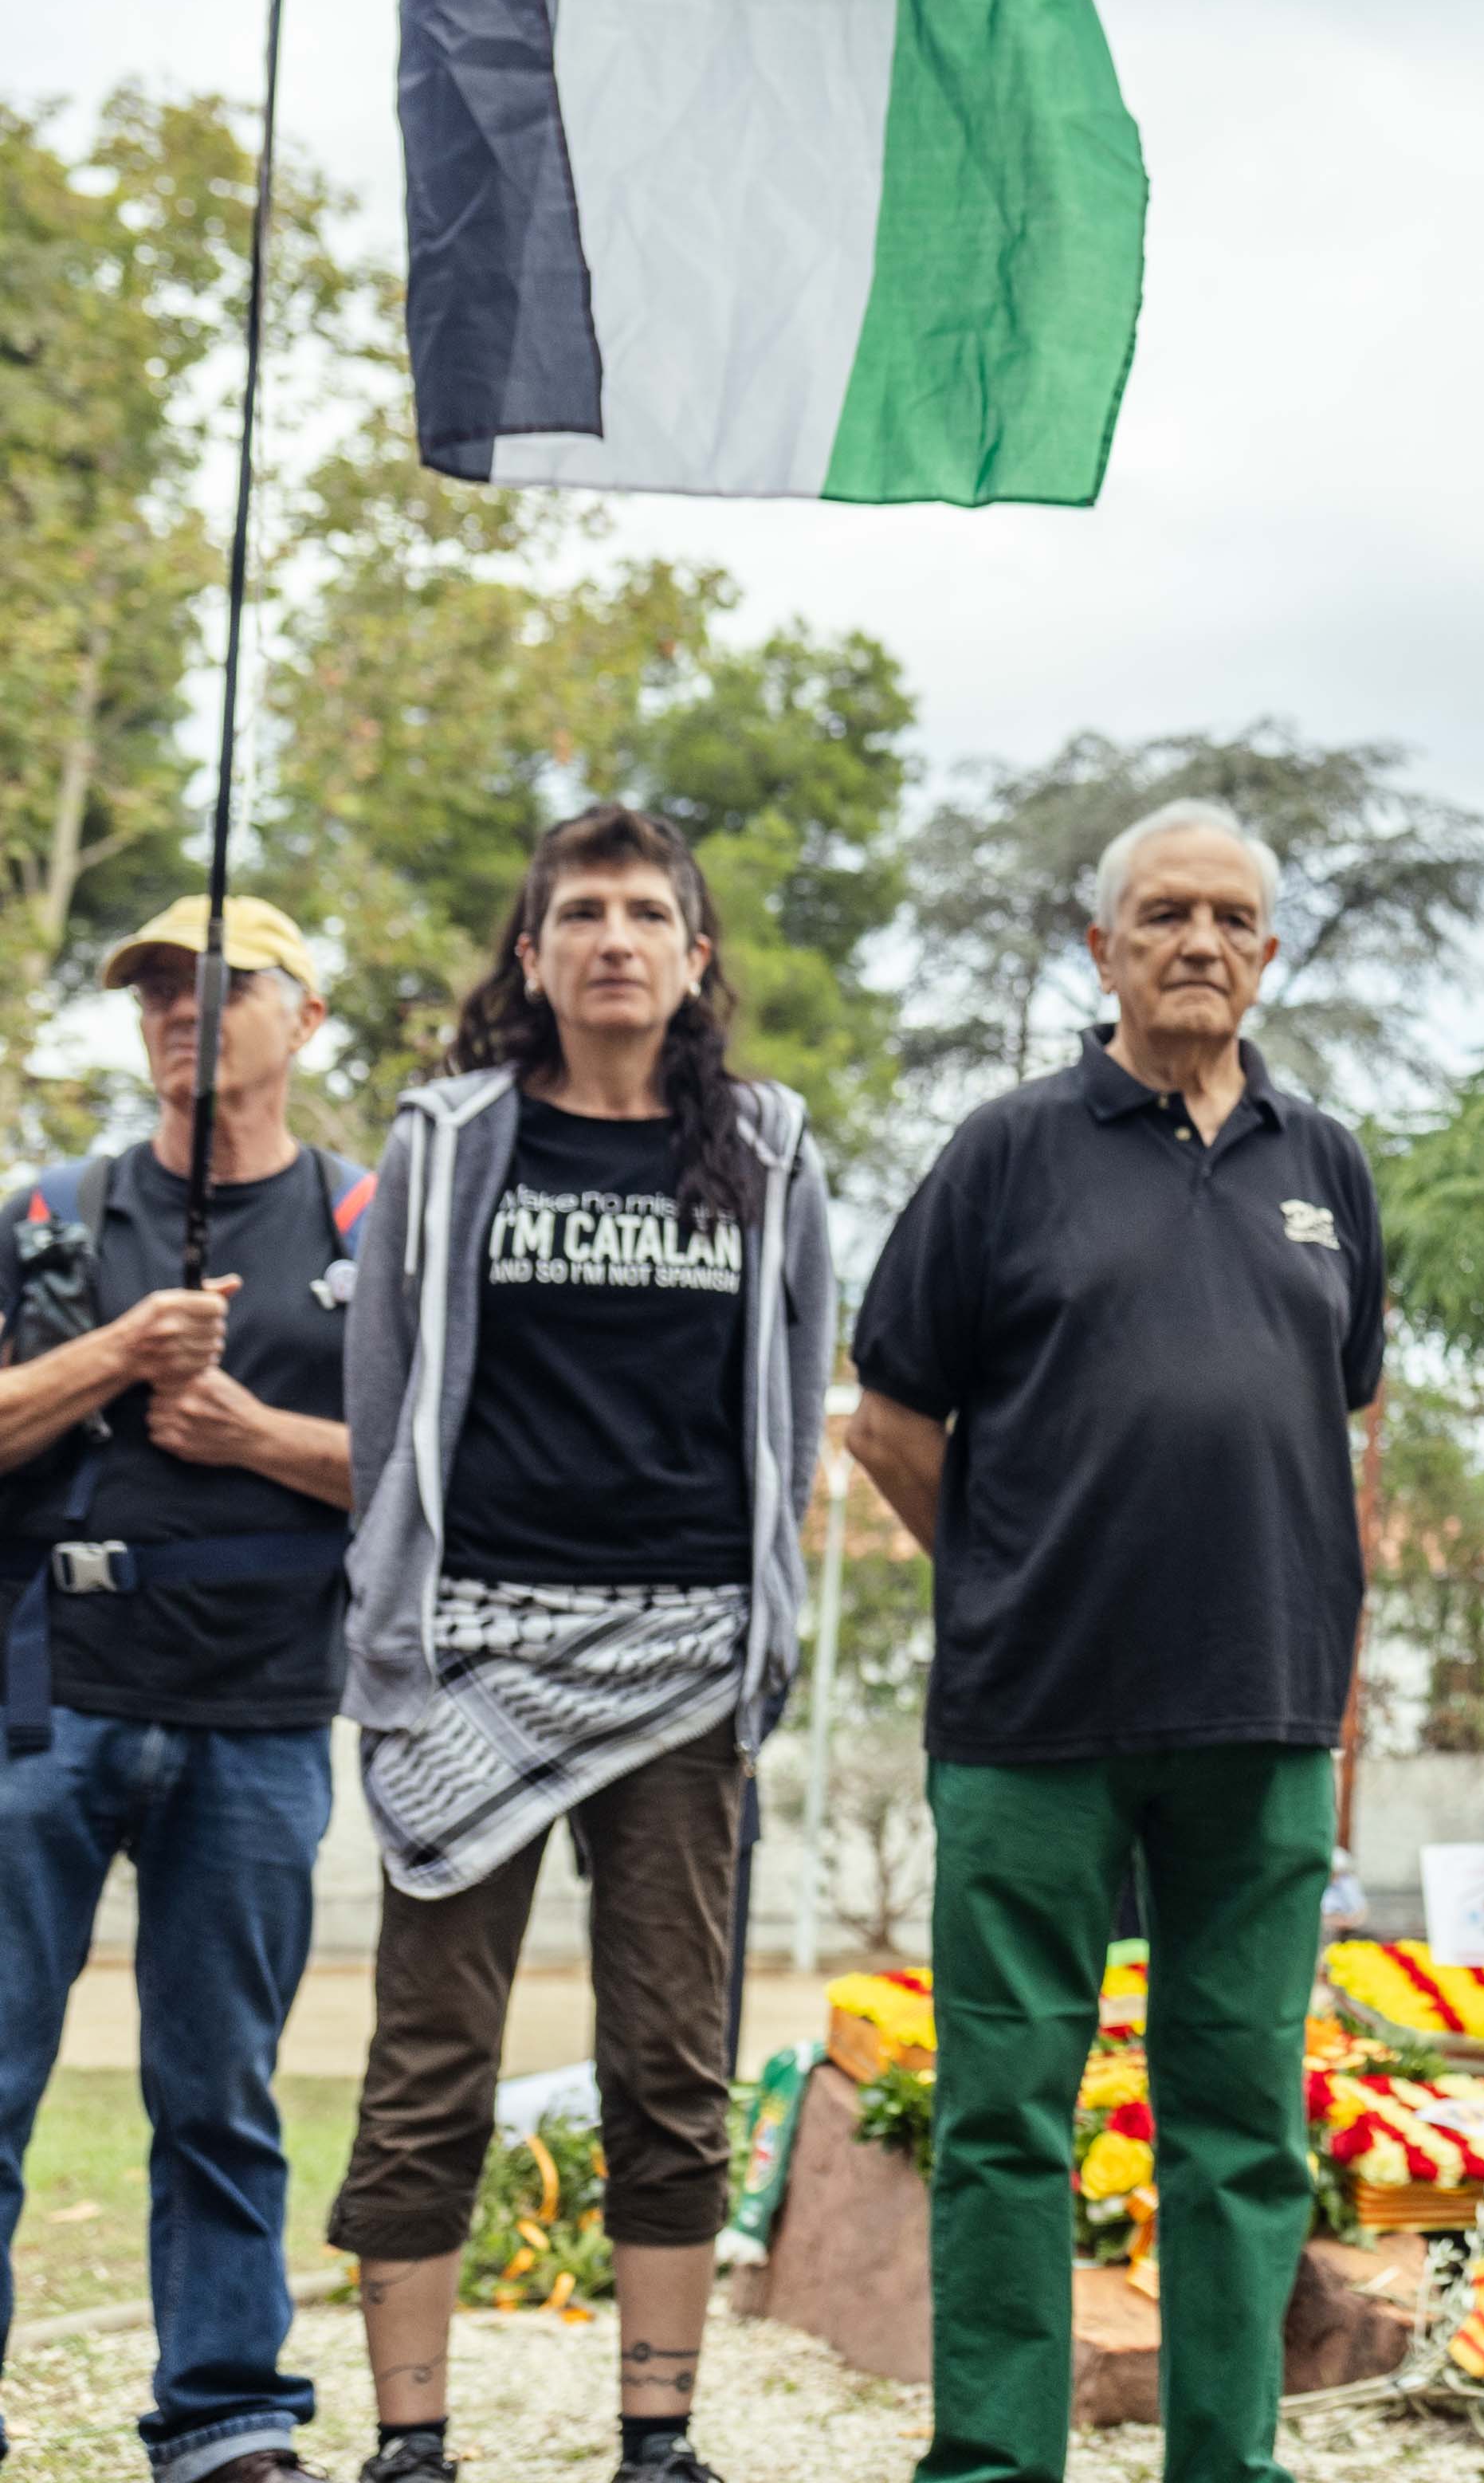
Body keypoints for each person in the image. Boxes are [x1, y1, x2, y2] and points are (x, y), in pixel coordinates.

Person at [847, 799, 1382, 2483]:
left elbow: (1345, 1412)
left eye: (1233, 916)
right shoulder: (1009, 1148)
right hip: (1033, 1716)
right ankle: (995, 2459)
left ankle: (1231, 2458)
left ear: (1271, 952)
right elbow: (886, 1417)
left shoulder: (1329, 1164)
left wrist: (1339, 1660)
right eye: (1163, 913)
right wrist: (1013, 1567)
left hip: (1266, 1713)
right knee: (1007, 2114)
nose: (1199, 942)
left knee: (1245, 2126)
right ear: (1102, 946)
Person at [332, 811, 835, 2483]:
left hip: (685, 1667)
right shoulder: (450, 1143)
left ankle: (658, 2434)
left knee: (671, 2059)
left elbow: (786, 1400)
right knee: (428, 2065)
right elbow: (387, 1399)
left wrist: (770, 1619)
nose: (614, 937)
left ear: (696, 958)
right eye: (580, 913)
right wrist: (394, 1628)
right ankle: (412, 2440)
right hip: (468, 1657)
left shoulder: (766, 1147)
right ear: (531, 958)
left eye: (647, 912)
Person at [0, 895, 360, 2483]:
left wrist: (254, 1434)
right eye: (154, 990)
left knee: (217, 2081)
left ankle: (223, 2415)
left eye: (224, 987)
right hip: (52, 1697)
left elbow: (446, 1471)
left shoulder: (369, 1223)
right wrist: (117, 1354)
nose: (181, 1013)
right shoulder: (49, 1210)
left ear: (308, 1017)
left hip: (266, 1708)